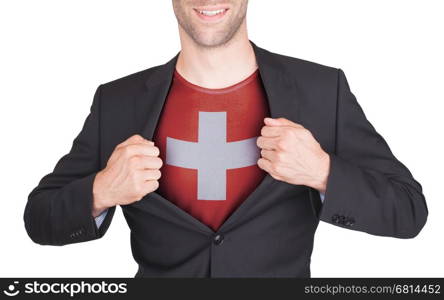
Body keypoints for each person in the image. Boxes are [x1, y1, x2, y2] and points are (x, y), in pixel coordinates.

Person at [24, 0, 428, 277]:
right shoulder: (118, 102)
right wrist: (101, 191)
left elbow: (408, 210)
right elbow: (40, 219)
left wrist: (323, 172)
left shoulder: (322, 91)